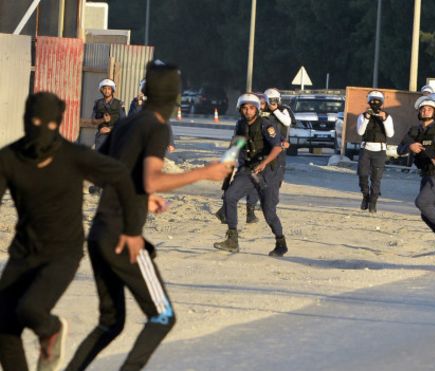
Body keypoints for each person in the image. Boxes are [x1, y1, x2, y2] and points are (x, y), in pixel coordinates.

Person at [66, 61, 232, 370]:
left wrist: (143, 195)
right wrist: (203, 172)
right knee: (162, 316)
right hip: (123, 236)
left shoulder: (129, 123)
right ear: (173, 97)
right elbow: (151, 178)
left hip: (99, 233)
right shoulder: (156, 126)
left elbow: (98, 172)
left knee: (110, 322)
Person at [0, 92, 144, 371]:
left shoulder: (73, 156)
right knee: (3, 326)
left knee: (30, 309)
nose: (42, 128)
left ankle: (51, 329)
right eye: (35, 121)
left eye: (50, 124)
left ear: (59, 123)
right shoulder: (9, 158)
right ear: (26, 120)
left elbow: (120, 177)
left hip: (62, 253)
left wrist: (132, 229)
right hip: (23, 252)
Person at [214, 93, 287, 257]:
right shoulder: (240, 125)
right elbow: (235, 146)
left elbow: (277, 147)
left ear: (257, 110)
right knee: (230, 196)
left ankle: (280, 242)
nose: (248, 111)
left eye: (251, 108)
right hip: (248, 170)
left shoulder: (266, 125)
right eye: (245, 108)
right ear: (240, 110)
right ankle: (232, 239)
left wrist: (264, 163)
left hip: (267, 172)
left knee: (269, 213)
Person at [398, 97, 435, 254]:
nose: (425, 111)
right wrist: (409, 146)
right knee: (426, 214)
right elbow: (400, 150)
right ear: (419, 112)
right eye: (423, 109)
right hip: (425, 173)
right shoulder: (414, 131)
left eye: (429, 109)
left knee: (422, 202)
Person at [356, 90, 394, 212]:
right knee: (362, 174)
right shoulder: (362, 116)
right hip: (366, 149)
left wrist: (384, 120)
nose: (375, 103)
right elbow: (360, 132)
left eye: (378, 101)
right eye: (372, 101)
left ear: (382, 103)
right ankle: (365, 195)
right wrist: (367, 118)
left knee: (376, 178)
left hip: (380, 150)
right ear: (369, 102)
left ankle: (373, 202)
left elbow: (390, 134)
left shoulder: (387, 117)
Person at [129, 79, 175, 153]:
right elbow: (131, 117)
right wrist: (138, 104)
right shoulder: (136, 102)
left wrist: (170, 142)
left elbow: (166, 123)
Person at [92, 79, 125, 150]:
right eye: (105, 89)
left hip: (114, 136)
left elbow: (123, 122)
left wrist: (110, 130)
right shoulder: (97, 103)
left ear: (112, 90)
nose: (107, 91)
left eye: (109, 89)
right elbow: (93, 121)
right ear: (101, 90)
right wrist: (103, 120)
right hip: (101, 137)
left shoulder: (119, 104)